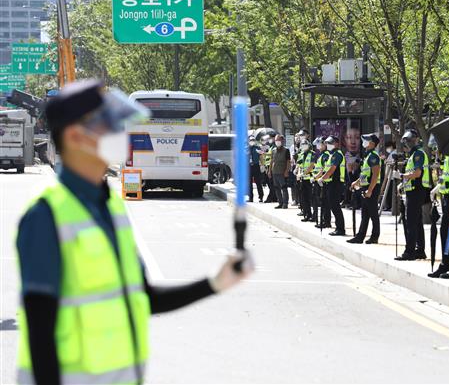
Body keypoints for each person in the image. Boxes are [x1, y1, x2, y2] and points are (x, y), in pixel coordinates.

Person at [15, 80, 254, 385]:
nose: (122, 132)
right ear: (76, 136)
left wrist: (214, 283)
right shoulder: (45, 215)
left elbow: (143, 298)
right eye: (110, 125)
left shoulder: (111, 204)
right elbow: (40, 335)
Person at [394, 129, 428, 261]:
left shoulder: (418, 154)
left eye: (410, 140)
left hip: (416, 191)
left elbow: (417, 173)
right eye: (407, 141)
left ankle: (410, 252)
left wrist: (401, 176)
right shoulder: (413, 156)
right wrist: (402, 184)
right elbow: (411, 174)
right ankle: (420, 250)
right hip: (412, 190)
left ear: (416, 139)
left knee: (411, 222)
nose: (408, 143)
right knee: (417, 221)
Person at [347, 133, 381, 244]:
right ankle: (360, 236)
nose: (363, 142)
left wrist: (370, 190)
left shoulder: (373, 156)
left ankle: (375, 236)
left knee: (373, 213)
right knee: (365, 214)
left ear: (372, 143)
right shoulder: (368, 156)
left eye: (366, 140)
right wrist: (356, 182)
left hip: (372, 188)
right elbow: (364, 174)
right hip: (365, 187)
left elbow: (375, 175)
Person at [318, 135, 346, 236]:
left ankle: (340, 229)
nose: (328, 145)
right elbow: (326, 169)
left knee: (335, 206)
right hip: (331, 183)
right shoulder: (331, 154)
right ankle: (338, 227)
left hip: (336, 183)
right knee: (333, 206)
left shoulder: (337, 154)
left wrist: (322, 178)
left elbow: (332, 170)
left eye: (331, 143)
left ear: (336, 144)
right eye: (327, 143)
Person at [312, 137, 332, 229]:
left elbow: (324, 169)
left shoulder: (326, 155)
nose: (318, 146)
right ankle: (324, 220)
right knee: (323, 202)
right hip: (320, 181)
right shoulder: (322, 154)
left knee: (325, 203)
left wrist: (316, 178)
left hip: (323, 181)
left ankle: (326, 221)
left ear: (325, 144)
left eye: (320, 143)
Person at [269, 134, 291, 209]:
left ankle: (285, 203)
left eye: (278, 140)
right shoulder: (273, 150)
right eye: (276, 140)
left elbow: (288, 162)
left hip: (282, 172)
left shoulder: (286, 150)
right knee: (276, 188)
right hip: (275, 172)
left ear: (282, 141)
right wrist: (269, 171)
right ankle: (280, 202)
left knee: (284, 188)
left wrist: (286, 171)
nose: (277, 142)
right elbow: (272, 161)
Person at [298, 138, 315, 222]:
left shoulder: (312, 154)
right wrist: (298, 172)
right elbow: (300, 165)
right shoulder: (302, 154)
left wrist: (304, 173)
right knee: (304, 198)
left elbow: (312, 166)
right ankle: (307, 214)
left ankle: (314, 216)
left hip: (310, 179)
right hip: (303, 179)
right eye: (302, 145)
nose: (303, 146)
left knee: (313, 199)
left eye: (305, 145)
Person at [261, 135, 277, 203]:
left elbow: (273, 156)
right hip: (268, 166)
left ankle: (270, 198)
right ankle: (274, 197)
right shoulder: (271, 146)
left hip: (272, 167)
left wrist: (265, 154)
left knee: (272, 184)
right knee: (270, 183)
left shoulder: (274, 146)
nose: (269, 140)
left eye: (270, 138)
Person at [248, 135, 263, 202]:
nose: (252, 141)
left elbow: (261, 156)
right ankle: (250, 197)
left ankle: (261, 197)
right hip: (248, 167)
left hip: (256, 166)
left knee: (258, 182)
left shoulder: (257, 148)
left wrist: (262, 165)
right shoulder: (246, 148)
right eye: (251, 140)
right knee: (249, 183)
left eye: (253, 140)